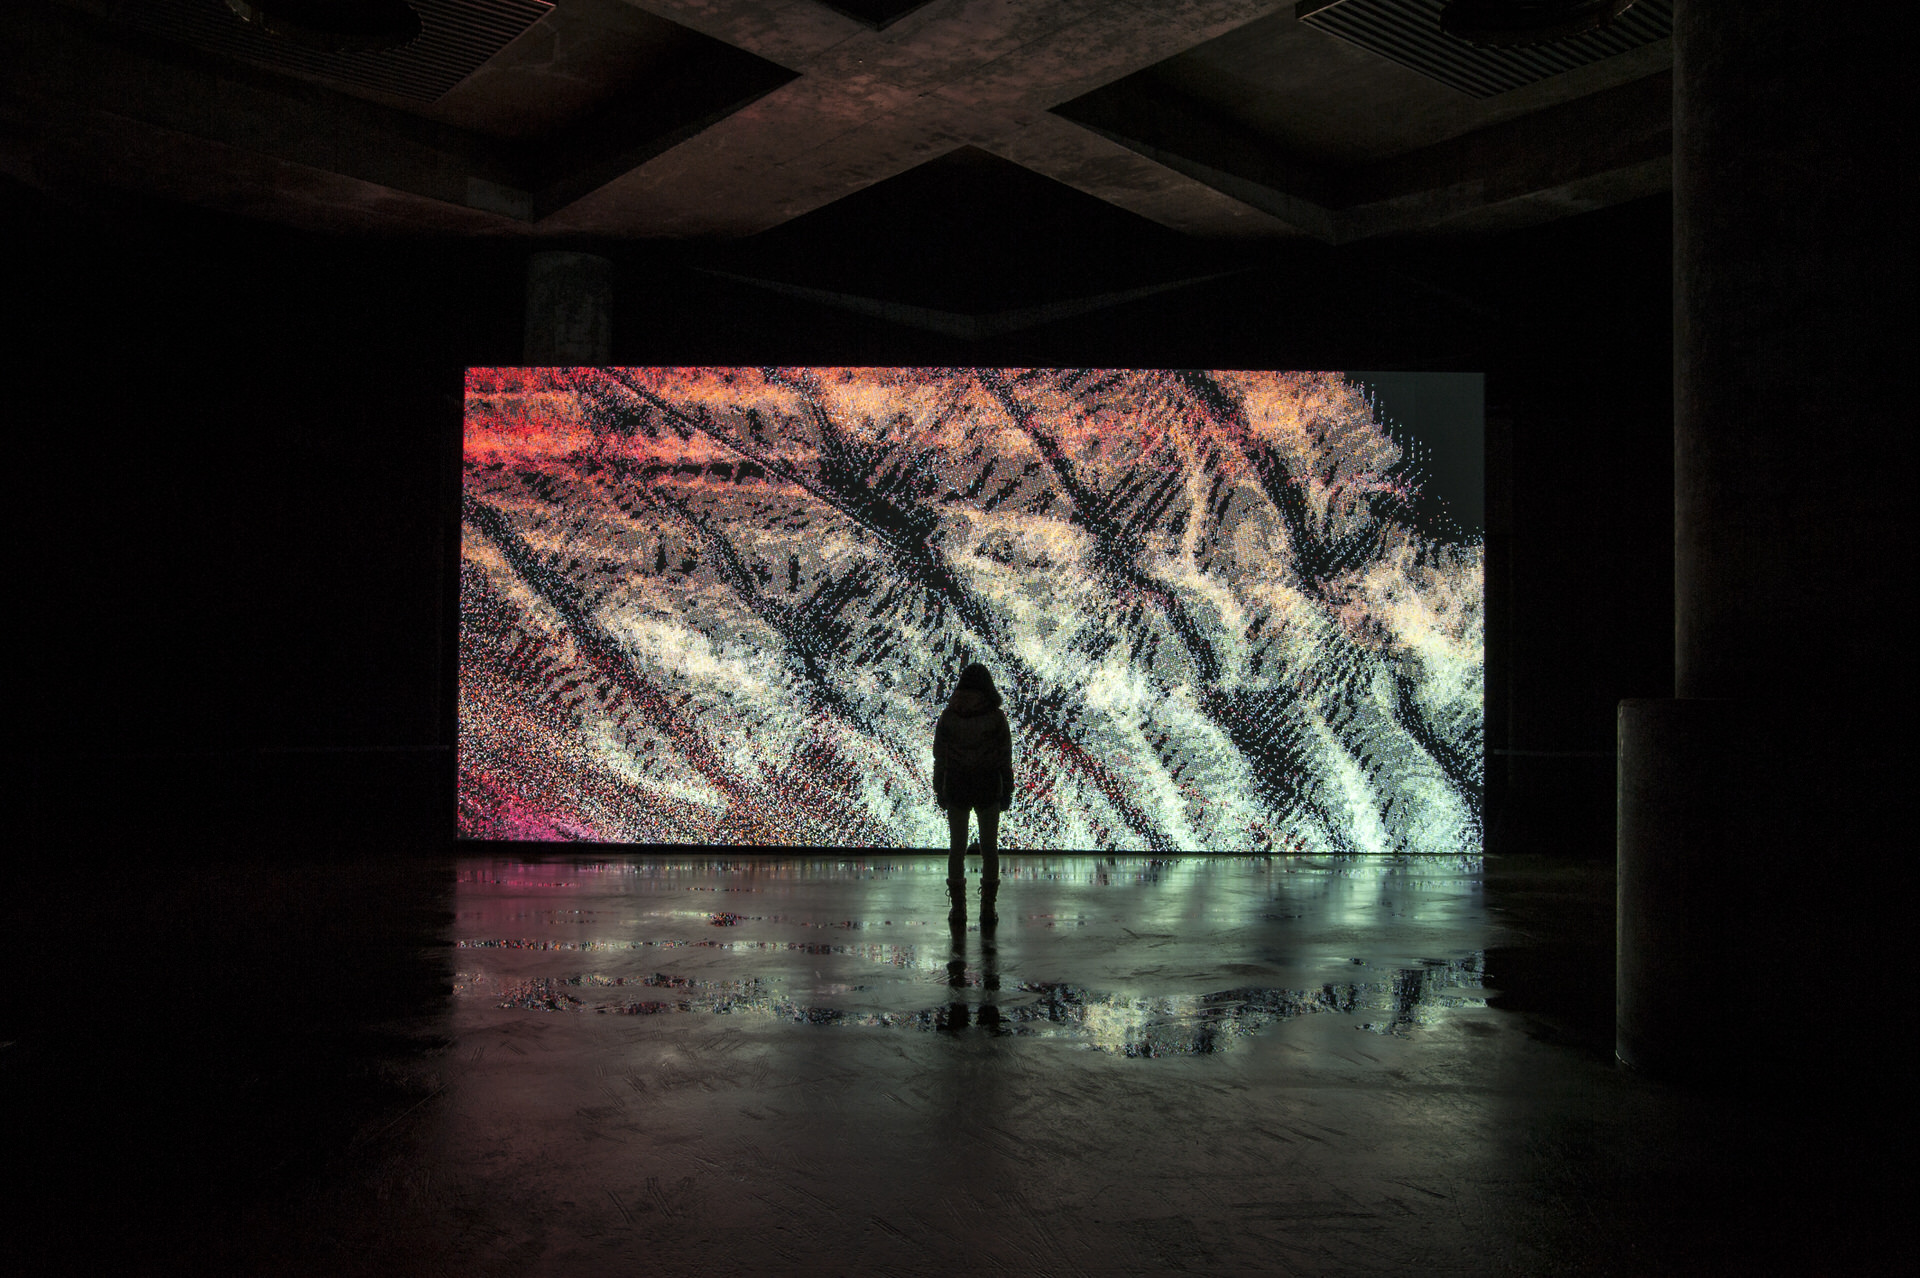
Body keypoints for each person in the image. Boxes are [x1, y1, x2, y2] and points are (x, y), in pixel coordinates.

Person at [932, 662, 1015, 921]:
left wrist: (939, 788)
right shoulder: (995, 717)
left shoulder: (949, 715)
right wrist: (1007, 790)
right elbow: (1004, 758)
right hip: (987, 784)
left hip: (957, 784)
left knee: (957, 847)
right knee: (989, 848)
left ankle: (958, 909)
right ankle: (988, 909)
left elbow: (940, 757)